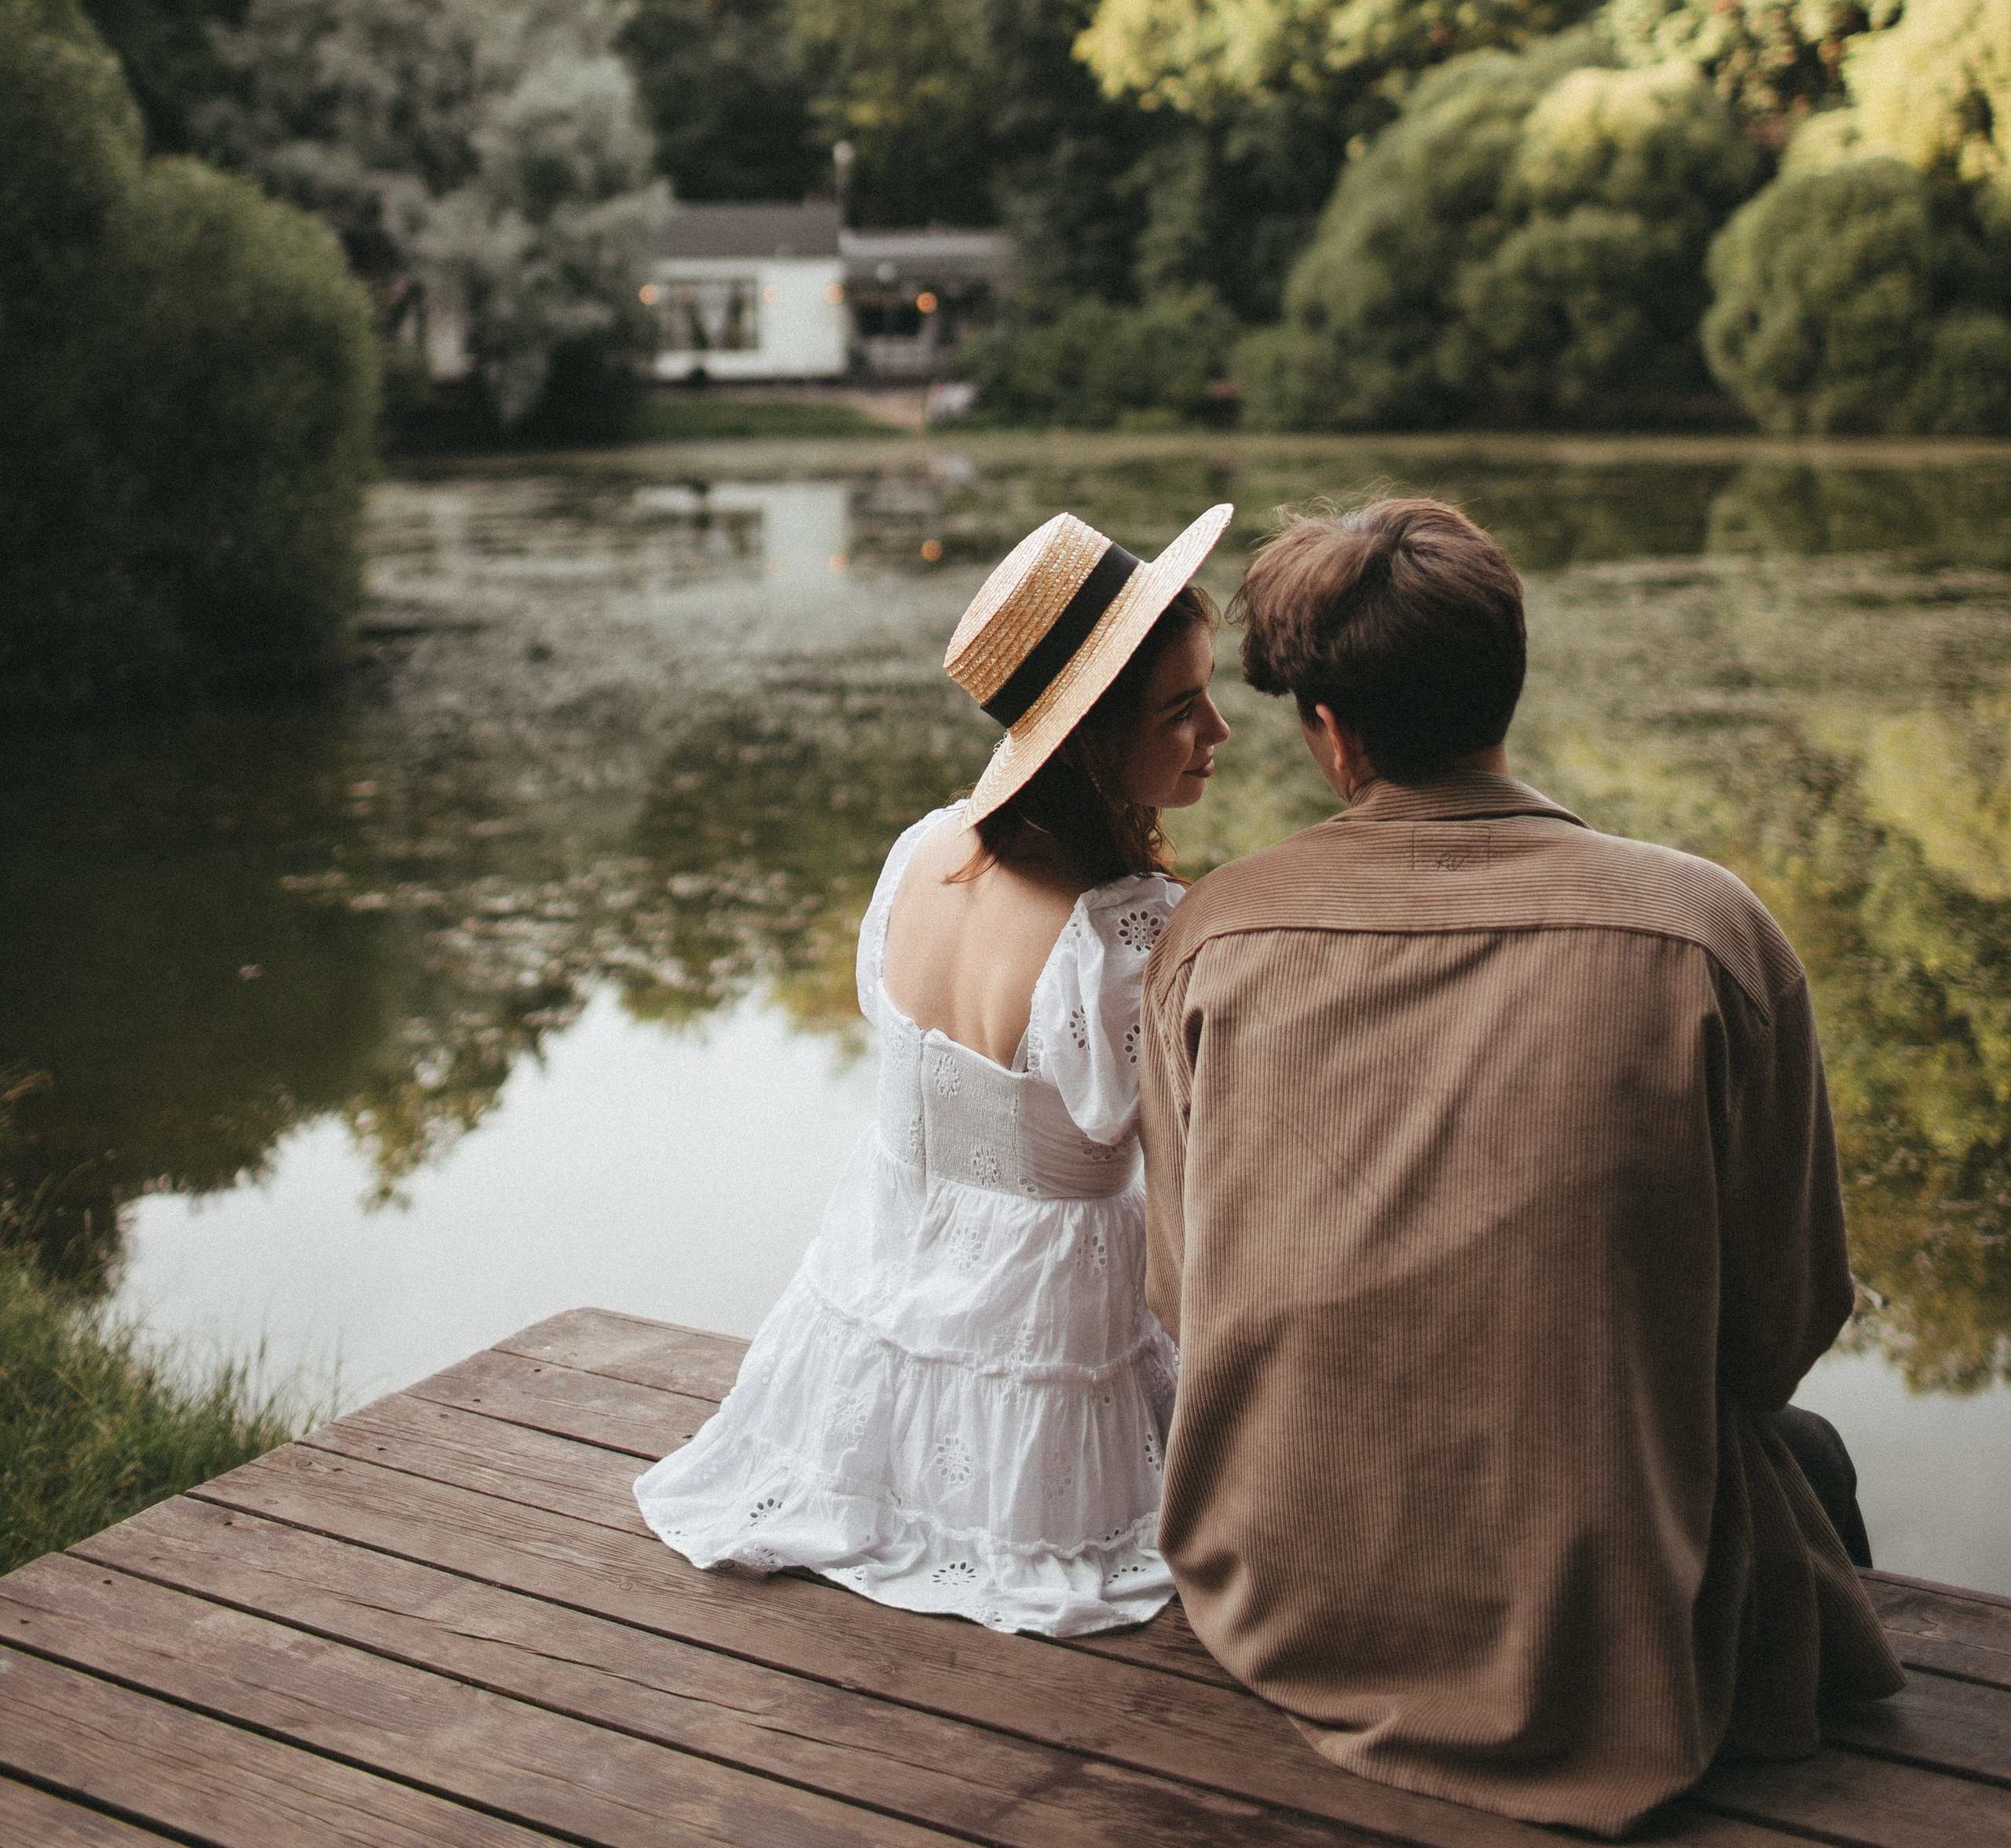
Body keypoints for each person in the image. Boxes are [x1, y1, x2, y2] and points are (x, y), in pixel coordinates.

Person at [1141, 497, 1905, 1840]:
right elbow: (1780, 1331)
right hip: (1595, 1616)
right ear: (1510, 675)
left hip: (1284, 1589)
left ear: (1331, 731)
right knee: (1814, 1458)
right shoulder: (1708, 930)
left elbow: (1182, 1302)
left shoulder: (1211, 936)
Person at [636, 500, 1233, 1635]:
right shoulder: (1127, 931)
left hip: (890, 1274)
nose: (1218, 730)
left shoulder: (926, 848)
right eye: (1180, 707)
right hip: (1040, 1320)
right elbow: (1191, 1163)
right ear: (1094, 736)